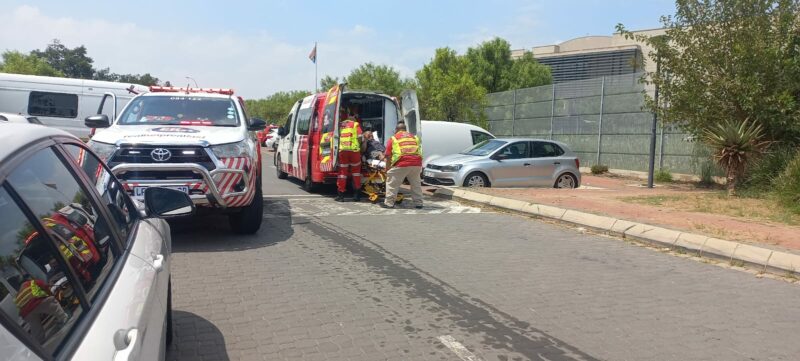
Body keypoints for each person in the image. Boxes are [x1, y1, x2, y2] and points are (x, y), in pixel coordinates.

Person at [382, 122, 423, 209]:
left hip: (402, 163)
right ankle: (419, 203)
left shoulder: (394, 138)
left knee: (392, 183)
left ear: (396, 130)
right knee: (416, 184)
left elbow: (388, 156)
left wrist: (387, 168)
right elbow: (419, 150)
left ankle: (389, 203)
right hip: (416, 163)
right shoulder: (414, 138)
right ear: (405, 130)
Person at [15, 278, 68, 342]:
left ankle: (39, 340)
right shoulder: (31, 282)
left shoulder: (18, 295)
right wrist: (52, 296)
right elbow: (45, 286)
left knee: (35, 326)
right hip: (36, 302)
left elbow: (20, 307)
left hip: (26, 313)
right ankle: (63, 318)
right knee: (53, 305)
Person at [335, 110, 364, 202]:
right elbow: (360, 137)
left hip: (343, 151)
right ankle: (357, 195)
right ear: (354, 116)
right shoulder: (356, 124)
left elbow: (336, 137)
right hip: (354, 151)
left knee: (342, 173)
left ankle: (341, 195)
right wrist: (360, 146)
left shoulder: (341, 125)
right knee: (356, 173)